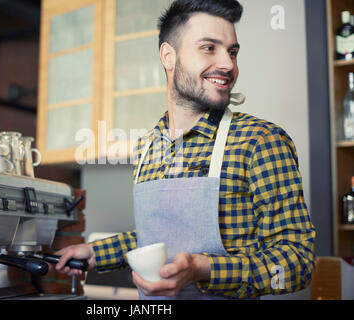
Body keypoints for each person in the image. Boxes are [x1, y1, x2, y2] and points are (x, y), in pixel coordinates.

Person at [55, 0, 316, 299]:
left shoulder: (260, 141)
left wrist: (203, 268)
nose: (228, 64)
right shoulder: (148, 146)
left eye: (232, 52)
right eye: (209, 48)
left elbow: (298, 263)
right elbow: (161, 239)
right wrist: (94, 252)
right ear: (169, 56)